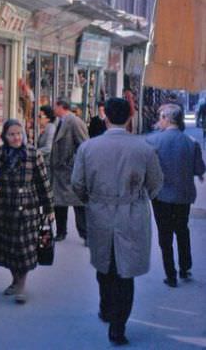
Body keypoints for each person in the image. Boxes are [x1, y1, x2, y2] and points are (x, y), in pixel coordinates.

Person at [71, 98, 163, 345]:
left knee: (105, 264)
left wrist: (92, 200)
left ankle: (105, 307)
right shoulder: (144, 149)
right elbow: (155, 184)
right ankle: (118, 326)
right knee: (125, 272)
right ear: (130, 118)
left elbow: (77, 184)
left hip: (100, 211)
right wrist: (137, 196)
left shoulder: (89, 148)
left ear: (106, 117)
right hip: (131, 213)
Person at [0, 119, 54, 304]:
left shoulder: (33, 154)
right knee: (10, 249)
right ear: (5, 136)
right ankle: (15, 280)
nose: (16, 137)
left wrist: (49, 208)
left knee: (24, 248)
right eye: (11, 134)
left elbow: (43, 183)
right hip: (4, 208)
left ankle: (21, 286)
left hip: (28, 208)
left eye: (19, 133)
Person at [146, 104, 205, 288]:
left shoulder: (153, 141)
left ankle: (170, 274)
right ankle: (185, 267)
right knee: (182, 229)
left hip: (161, 195)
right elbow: (199, 169)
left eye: (160, 118)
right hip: (183, 195)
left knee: (165, 234)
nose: (159, 121)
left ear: (167, 119)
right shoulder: (190, 142)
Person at [50, 98, 89, 243]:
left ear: (61, 107)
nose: (53, 109)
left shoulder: (74, 122)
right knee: (59, 203)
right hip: (60, 172)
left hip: (70, 170)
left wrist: (72, 163)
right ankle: (61, 232)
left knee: (78, 204)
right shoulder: (60, 121)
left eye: (55, 106)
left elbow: (84, 145)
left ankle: (86, 234)